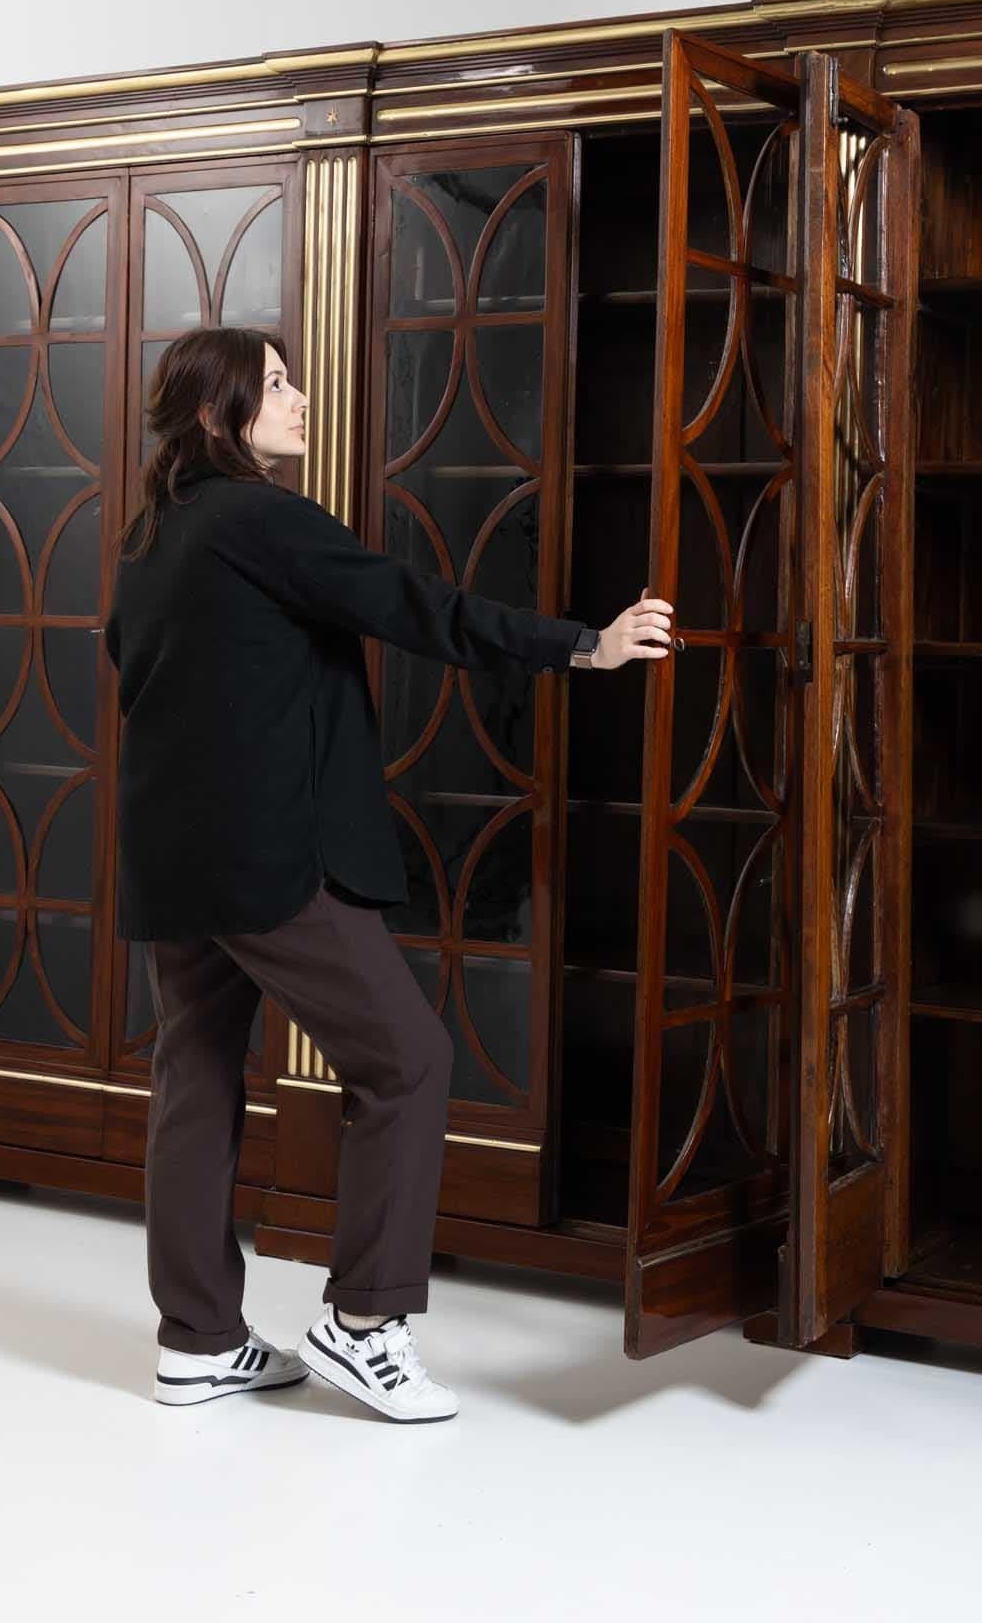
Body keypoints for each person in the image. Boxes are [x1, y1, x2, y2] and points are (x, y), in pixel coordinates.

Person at [102, 326, 671, 1421]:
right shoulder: (260, 517)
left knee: (197, 1083)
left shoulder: (154, 535)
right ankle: (363, 1322)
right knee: (408, 1059)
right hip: (267, 858)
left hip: (174, 859)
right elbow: (413, 604)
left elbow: (134, 667)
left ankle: (197, 1339)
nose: (300, 396)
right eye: (275, 383)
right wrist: (582, 645)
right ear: (221, 412)